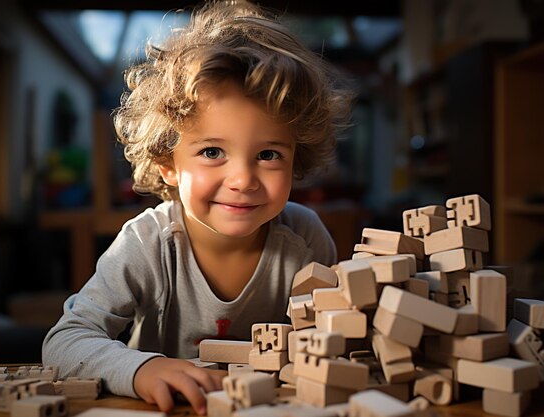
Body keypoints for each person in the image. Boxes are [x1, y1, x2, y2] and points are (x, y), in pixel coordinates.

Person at [42, 0, 353, 414]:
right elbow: (64, 341)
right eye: (211, 151)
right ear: (167, 164)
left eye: (269, 155)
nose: (242, 179)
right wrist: (141, 370)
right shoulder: (147, 243)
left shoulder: (308, 238)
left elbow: (335, 342)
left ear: (298, 158)